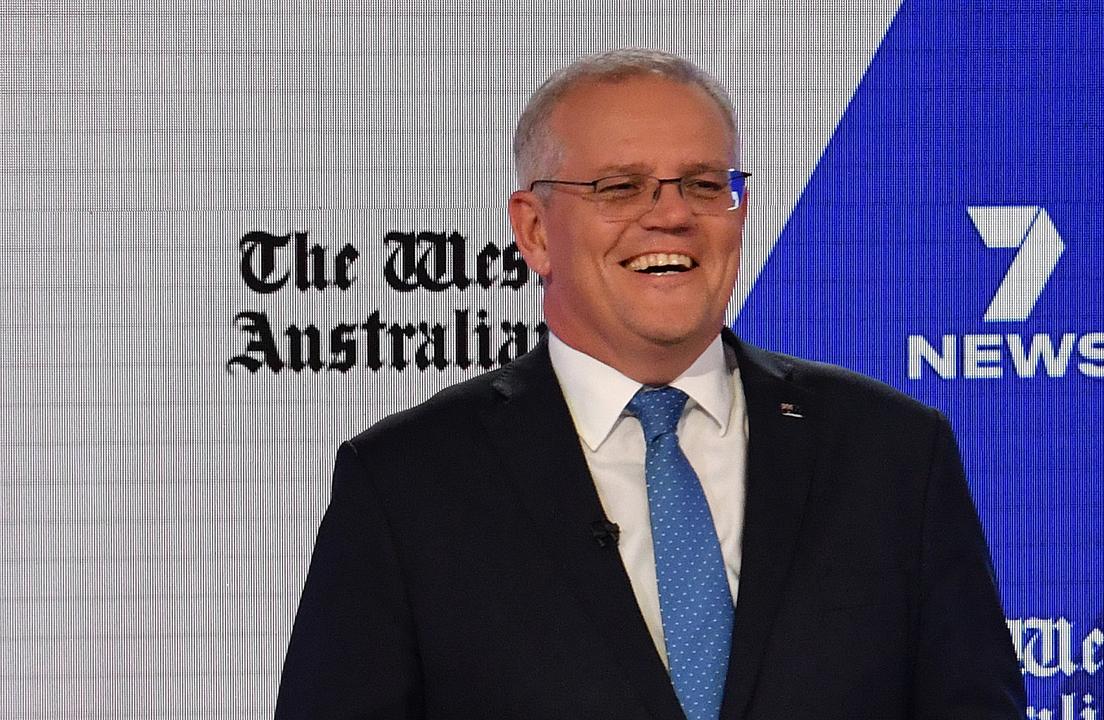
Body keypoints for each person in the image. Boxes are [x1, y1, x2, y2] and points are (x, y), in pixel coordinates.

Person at [275, 48, 1025, 719]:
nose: (670, 216)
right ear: (535, 231)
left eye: (704, 185)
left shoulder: (893, 454)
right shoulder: (407, 484)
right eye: (619, 187)